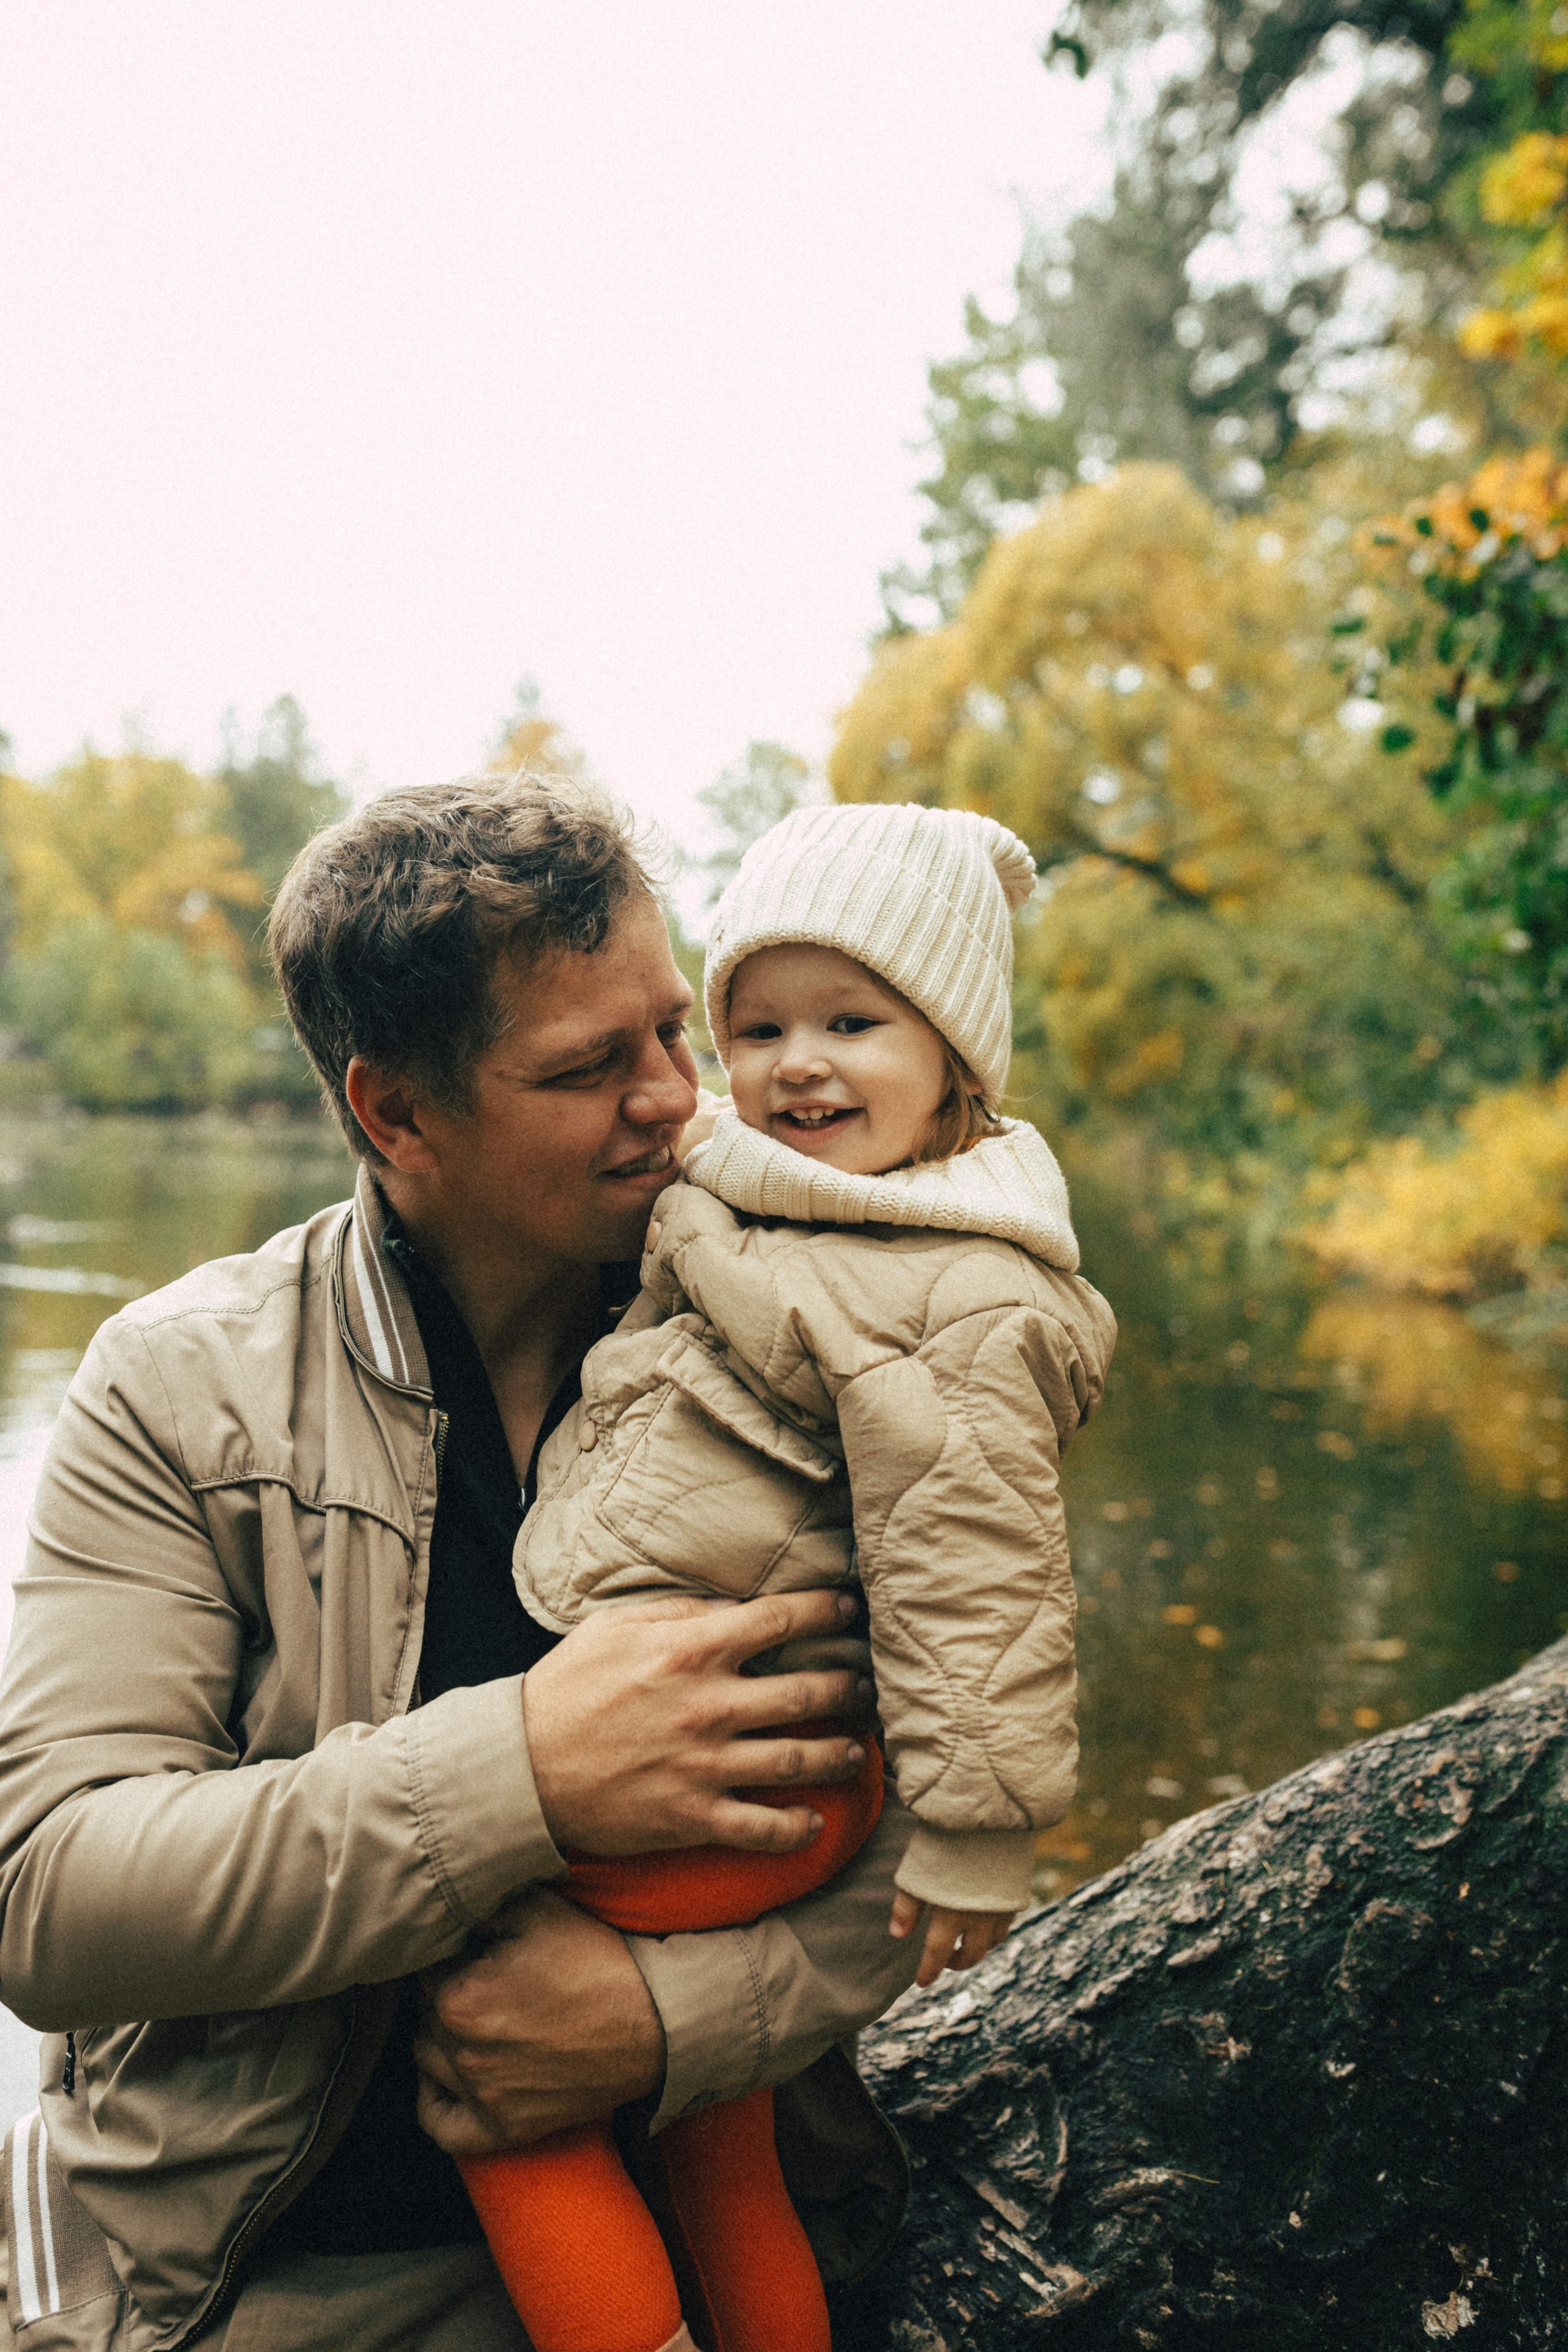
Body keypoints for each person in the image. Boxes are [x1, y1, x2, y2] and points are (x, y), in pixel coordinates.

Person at [0, 777, 922, 2352]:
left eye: (668, 1032)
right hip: (258, 2289)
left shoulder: (812, 1331)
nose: (674, 1101)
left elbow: (958, 1810)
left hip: (723, 2248)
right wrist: (525, 1772)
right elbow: (58, 1894)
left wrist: (664, 2025)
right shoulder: (178, 1383)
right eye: (583, 1068)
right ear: (395, 1114)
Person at [466, 803, 1117, 2352]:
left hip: (723, 1769)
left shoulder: (951, 1286)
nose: (794, 1063)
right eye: (752, 1027)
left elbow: (980, 1569)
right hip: (737, 1750)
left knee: (501, 2095)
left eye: (851, 1023)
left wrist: (974, 1825)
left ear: (957, 1061)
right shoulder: (805, 1202)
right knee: (722, 2135)